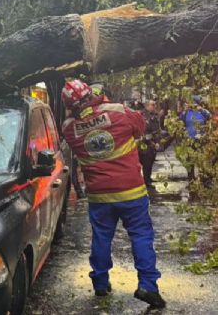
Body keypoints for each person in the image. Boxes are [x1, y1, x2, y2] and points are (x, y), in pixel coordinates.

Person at [60, 79, 166, 309]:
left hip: (100, 196)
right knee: (140, 236)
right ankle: (148, 285)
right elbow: (140, 126)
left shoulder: (69, 128)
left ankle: (100, 282)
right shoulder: (118, 111)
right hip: (131, 192)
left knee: (101, 237)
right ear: (91, 93)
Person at [179, 96, 212, 180]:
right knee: (190, 160)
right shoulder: (186, 112)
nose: (192, 104)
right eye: (190, 102)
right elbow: (180, 120)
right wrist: (185, 110)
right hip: (189, 139)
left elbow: (209, 116)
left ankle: (203, 177)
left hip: (201, 139)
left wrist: (201, 109)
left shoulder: (202, 112)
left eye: (193, 102)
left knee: (201, 159)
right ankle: (191, 178)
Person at [139, 99, 161, 191]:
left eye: (155, 105)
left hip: (153, 143)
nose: (154, 106)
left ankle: (148, 178)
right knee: (147, 163)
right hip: (146, 144)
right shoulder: (143, 116)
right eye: (152, 105)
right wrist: (151, 142)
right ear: (147, 106)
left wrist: (158, 141)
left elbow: (157, 129)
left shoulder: (154, 115)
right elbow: (144, 132)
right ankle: (146, 182)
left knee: (151, 162)